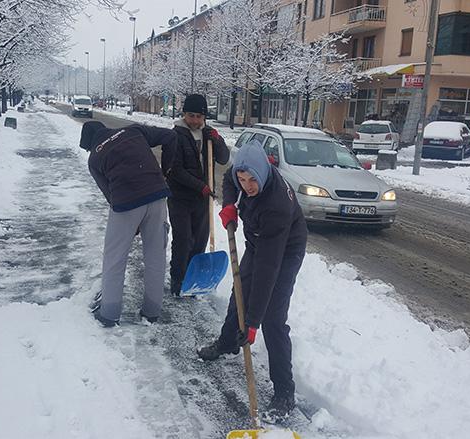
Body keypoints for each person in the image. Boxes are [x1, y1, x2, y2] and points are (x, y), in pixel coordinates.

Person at [197, 140, 307, 423]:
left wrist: (253, 322)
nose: (247, 185)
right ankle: (227, 341)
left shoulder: (276, 206)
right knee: (240, 292)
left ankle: (284, 392)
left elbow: (268, 271)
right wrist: (230, 205)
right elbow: (230, 178)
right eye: (243, 180)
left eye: (251, 180)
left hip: (284, 251)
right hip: (258, 242)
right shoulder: (244, 173)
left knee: (272, 319)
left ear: (262, 173)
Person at [79, 121, 177, 327]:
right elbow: (171, 137)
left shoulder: (94, 158)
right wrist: (165, 171)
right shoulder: (133, 130)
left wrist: (130, 224)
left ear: (89, 143)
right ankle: (152, 311)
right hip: (158, 195)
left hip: (125, 202)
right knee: (155, 256)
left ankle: (109, 313)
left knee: (115, 257)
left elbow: (110, 195)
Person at [167, 94, 230, 296]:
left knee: (199, 240)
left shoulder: (208, 135)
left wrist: (218, 141)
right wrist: (200, 186)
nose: (195, 120)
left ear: (204, 117)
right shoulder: (175, 136)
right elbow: (174, 170)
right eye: (191, 115)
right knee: (183, 240)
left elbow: (223, 159)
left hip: (202, 199)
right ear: (184, 114)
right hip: (180, 198)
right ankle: (178, 280)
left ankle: (194, 282)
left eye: (199, 116)